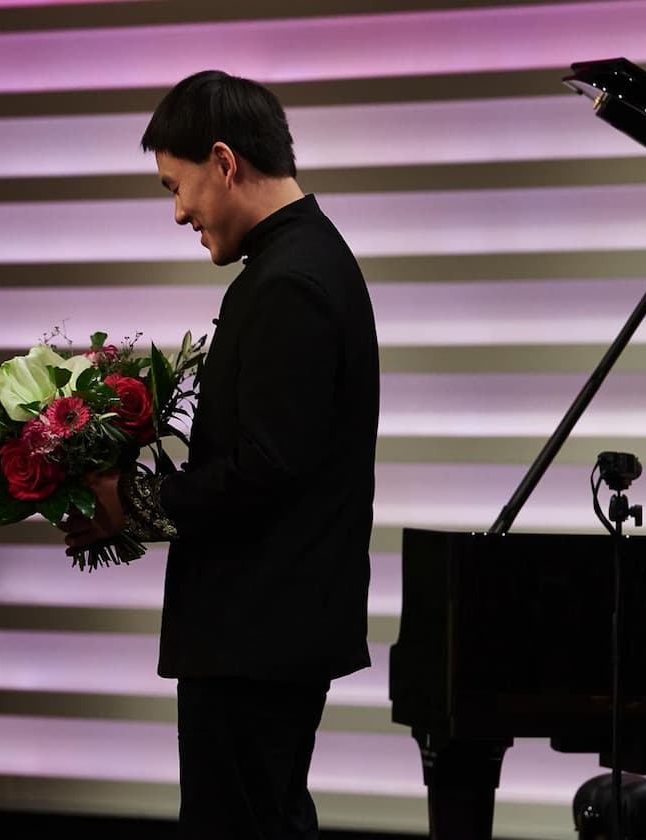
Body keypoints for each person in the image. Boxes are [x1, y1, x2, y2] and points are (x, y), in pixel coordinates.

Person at [61, 69, 380, 840]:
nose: (178, 212)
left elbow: (264, 472)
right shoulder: (299, 263)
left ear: (225, 161)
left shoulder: (290, 282)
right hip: (262, 638)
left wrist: (129, 504)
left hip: (256, 641)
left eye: (178, 186)